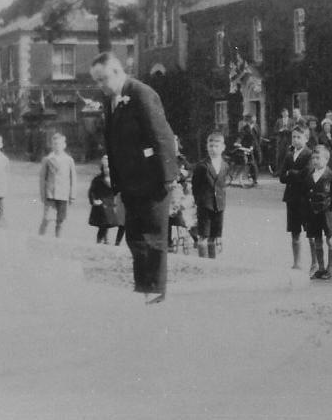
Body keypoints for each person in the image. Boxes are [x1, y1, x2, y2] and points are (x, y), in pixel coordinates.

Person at [91, 52, 182, 305]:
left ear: (118, 72)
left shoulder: (142, 94)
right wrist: (116, 183)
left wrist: (168, 179)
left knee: (153, 236)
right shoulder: (109, 100)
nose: (100, 85)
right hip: (129, 182)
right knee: (134, 236)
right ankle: (143, 287)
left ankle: (155, 291)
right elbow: (112, 143)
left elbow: (162, 136)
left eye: (102, 79)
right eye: (96, 81)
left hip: (152, 179)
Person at [305, 146, 332, 280]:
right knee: (317, 241)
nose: (315, 161)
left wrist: (330, 204)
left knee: (330, 240)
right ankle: (320, 268)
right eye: (313, 158)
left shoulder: (331, 175)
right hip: (313, 213)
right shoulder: (310, 174)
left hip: (326, 214)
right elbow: (306, 192)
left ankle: (330, 268)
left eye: (318, 158)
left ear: (326, 160)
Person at [192, 132, 231, 259]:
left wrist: (222, 201)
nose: (213, 149)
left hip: (219, 206)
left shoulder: (225, 166)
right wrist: (200, 202)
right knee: (203, 235)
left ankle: (213, 262)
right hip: (205, 206)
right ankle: (203, 263)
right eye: (210, 146)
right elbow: (195, 186)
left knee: (214, 236)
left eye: (216, 146)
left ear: (223, 147)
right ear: (207, 147)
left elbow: (222, 184)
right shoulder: (202, 166)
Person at [280, 127, 313, 271]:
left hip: (305, 198)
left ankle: (315, 263)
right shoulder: (289, 156)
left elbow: (306, 174)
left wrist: (291, 173)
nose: (295, 140)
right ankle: (297, 262)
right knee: (295, 232)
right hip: (291, 198)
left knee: (311, 232)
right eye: (293, 137)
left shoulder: (310, 155)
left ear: (306, 139)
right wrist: (294, 174)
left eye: (299, 137)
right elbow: (282, 177)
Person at [39, 132, 76, 239]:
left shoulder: (69, 160)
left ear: (64, 145)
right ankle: (40, 238)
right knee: (47, 218)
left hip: (63, 194)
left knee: (61, 220)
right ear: (51, 145)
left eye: (59, 144)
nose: (57, 146)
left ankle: (58, 240)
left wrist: (72, 195)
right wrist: (43, 195)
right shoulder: (47, 159)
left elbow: (73, 178)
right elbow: (42, 179)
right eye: (54, 144)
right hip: (51, 194)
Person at [88, 155, 125, 245]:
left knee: (109, 222)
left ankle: (111, 241)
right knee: (103, 223)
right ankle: (101, 240)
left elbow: (119, 190)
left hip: (111, 203)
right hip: (100, 204)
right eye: (105, 168)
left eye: (109, 168)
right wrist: (94, 200)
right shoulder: (97, 180)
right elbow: (91, 191)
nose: (107, 170)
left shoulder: (116, 180)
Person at [236, 115, 259, 186]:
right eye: (253, 119)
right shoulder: (245, 128)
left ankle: (252, 177)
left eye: (255, 119)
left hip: (255, 147)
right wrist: (238, 143)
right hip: (247, 148)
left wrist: (254, 146)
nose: (254, 120)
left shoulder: (256, 127)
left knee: (256, 162)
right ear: (249, 121)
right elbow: (240, 136)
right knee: (252, 163)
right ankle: (254, 179)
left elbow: (257, 137)